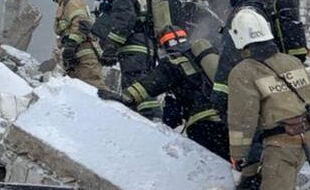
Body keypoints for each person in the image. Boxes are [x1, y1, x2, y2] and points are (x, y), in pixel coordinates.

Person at [225, 9, 310, 190]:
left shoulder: (243, 72)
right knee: (287, 187)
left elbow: (243, 118)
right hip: (308, 134)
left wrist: (239, 154)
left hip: (282, 141)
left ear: (239, 39)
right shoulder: (290, 61)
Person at [97, 26, 229, 159]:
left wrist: (126, 96)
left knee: (212, 165)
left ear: (163, 46)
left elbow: (153, 83)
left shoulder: (173, 62)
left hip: (203, 123)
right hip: (227, 118)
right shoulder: (206, 59)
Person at [210, 0, 309, 114]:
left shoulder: (244, 16)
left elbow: (229, 57)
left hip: (254, 89)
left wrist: (220, 94)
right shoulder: (265, 8)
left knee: (248, 133)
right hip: (278, 84)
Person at [91, 0, 161, 120]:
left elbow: (124, 21)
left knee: (133, 88)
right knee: (144, 87)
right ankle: (154, 120)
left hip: (133, 49)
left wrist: (111, 48)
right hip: (147, 47)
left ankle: (144, 124)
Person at [42, 0, 105, 89]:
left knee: (93, 93)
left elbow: (82, 23)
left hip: (85, 58)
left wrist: (71, 45)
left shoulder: (72, 2)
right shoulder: (65, 4)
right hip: (77, 58)